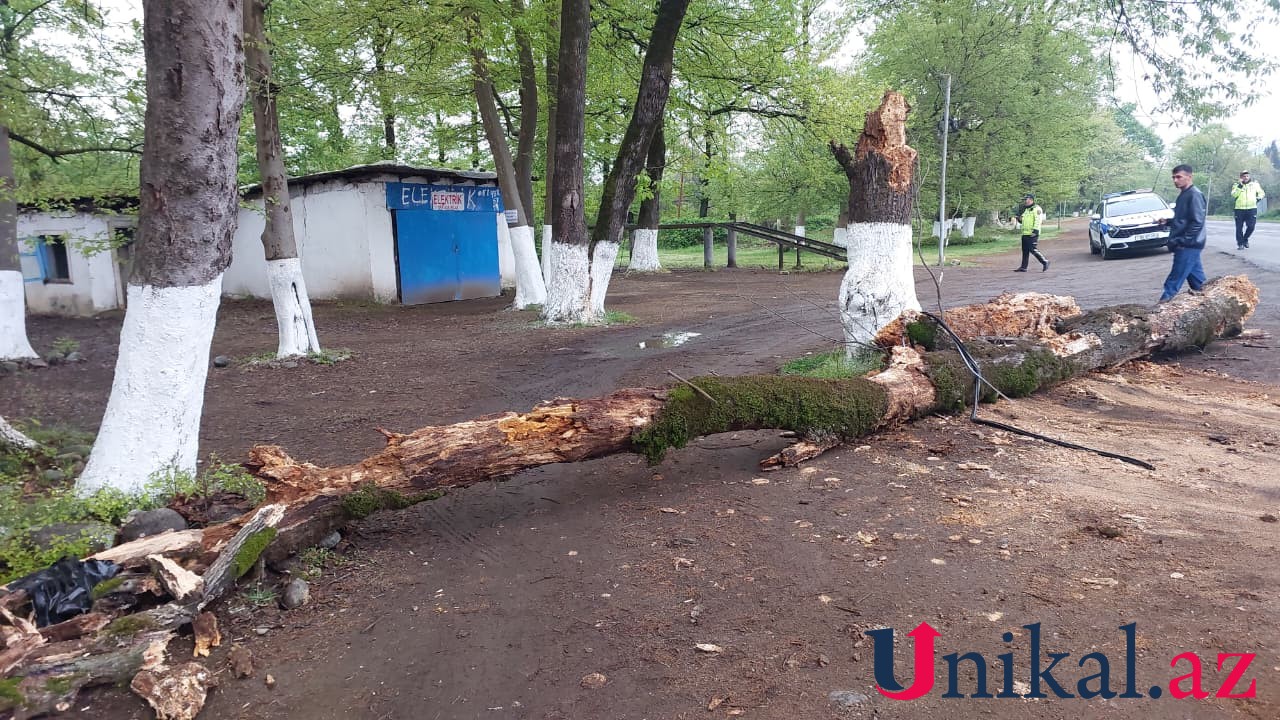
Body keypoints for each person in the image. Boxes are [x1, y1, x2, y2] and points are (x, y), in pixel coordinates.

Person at [1157, 164, 1207, 303]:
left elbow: (1197, 222)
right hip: (1187, 244)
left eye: (1179, 177)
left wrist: (1183, 241)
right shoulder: (1183, 195)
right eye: (1173, 177)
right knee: (1198, 283)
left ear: (1189, 177)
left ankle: (1161, 306)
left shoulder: (1194, 195)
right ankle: (1210, 304)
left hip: (1189, 245)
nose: (1175, 180)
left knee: (1174, 280)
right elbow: (1183, 220)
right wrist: (1167, 222)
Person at [1231, 170, 1266, 249]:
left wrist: (1257, 199)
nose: (1246, 178)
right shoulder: (1236, 185)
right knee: (1239, 228)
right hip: (1239, 209)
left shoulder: (1254, 184)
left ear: (1249, 176)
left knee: (1251, 226)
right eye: (1244, 176)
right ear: (1241, 178)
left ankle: (1245, 239)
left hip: (1251, 208)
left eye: (1247, 176)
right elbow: (1234, 195)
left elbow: (1262, 193)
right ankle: (1240, 244)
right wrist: (1240, 186)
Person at [1014, 193, 1049, 272]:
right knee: (1025, 250)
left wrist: (1035, 230)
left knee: (1032, 249)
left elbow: (1038, 220)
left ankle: (1045, 261)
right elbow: (1023, 221)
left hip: (1032, 233)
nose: (1024, 201)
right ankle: (1023, 267)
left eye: (1026, 199)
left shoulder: (1037, 209)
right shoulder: (1027, 209)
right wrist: (1018, 218)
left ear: (1031, 200)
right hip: (1025, 233)